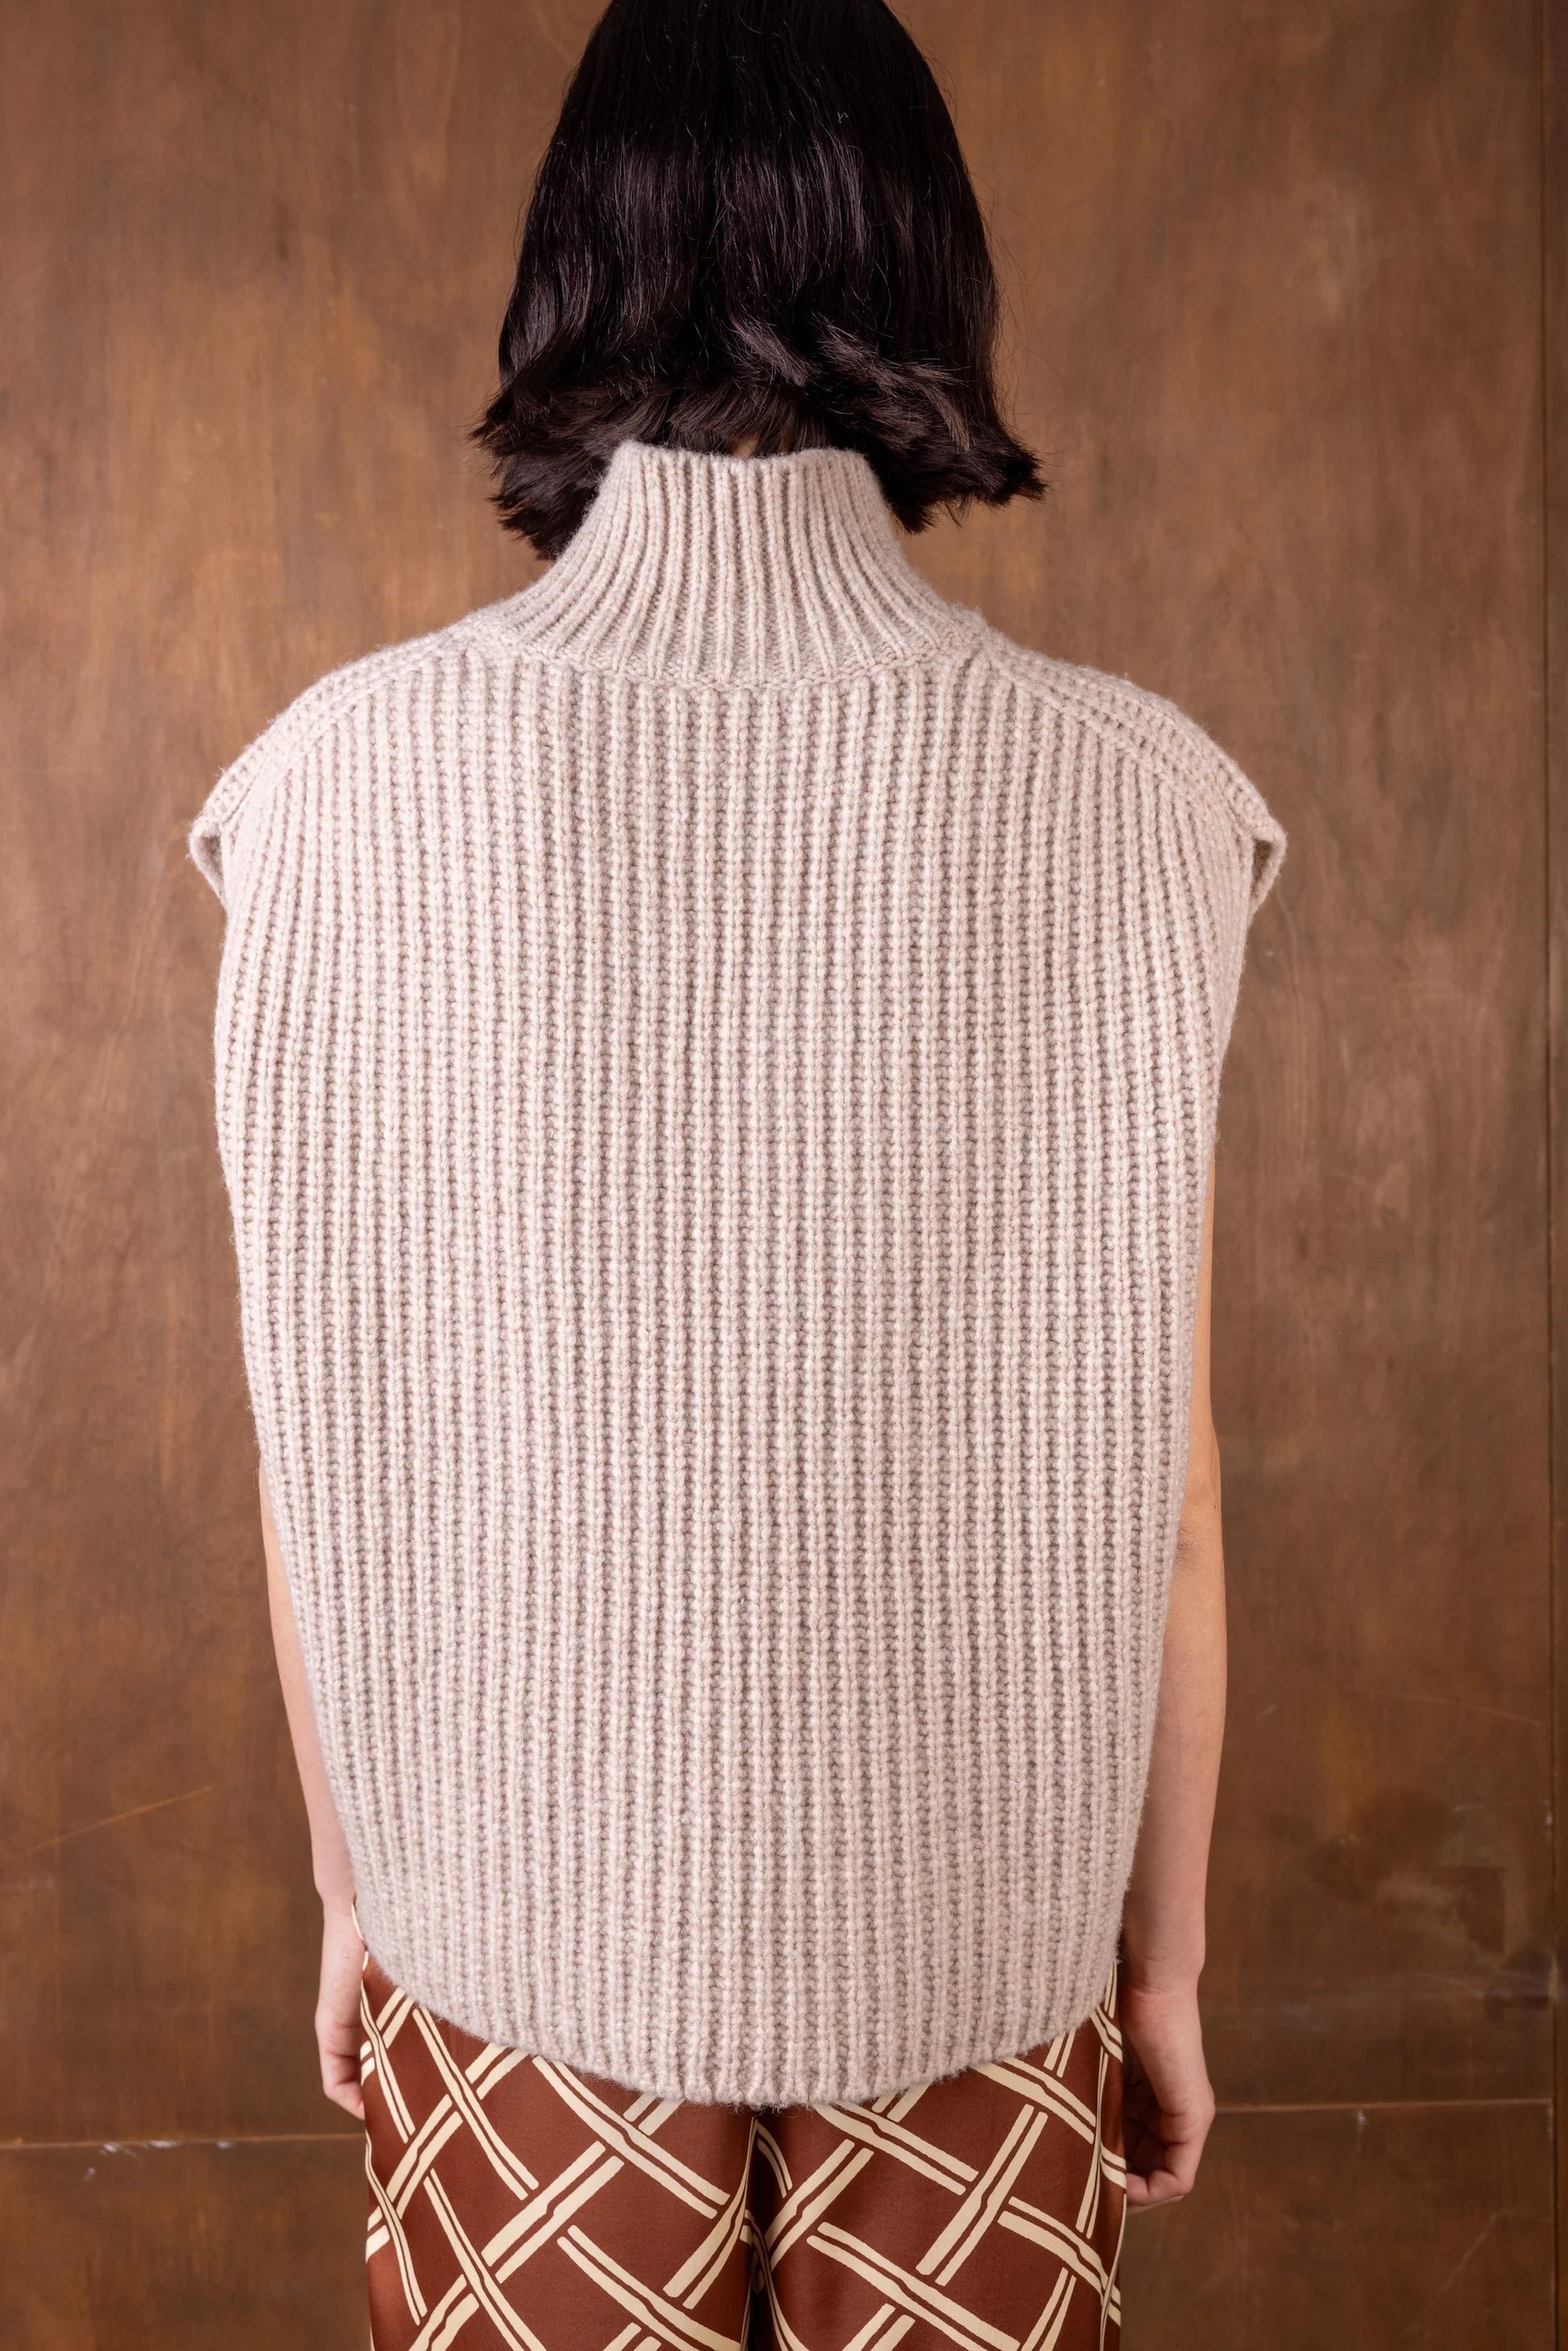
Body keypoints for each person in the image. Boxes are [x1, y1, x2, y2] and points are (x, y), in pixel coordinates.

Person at [191, 0, 1286, 2341]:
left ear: (564, 272)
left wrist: (355, 1888)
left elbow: (332, 1443)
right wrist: (1158, 1964)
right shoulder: (1136, 805)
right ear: (928, 272)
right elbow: (1157, 1485)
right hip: (986, 1964)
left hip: (503, 1942)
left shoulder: (328, 794)